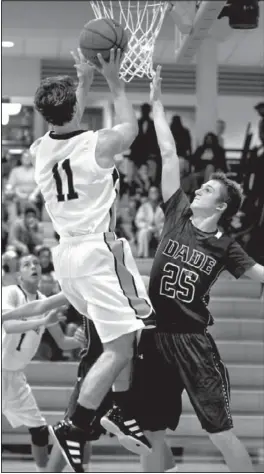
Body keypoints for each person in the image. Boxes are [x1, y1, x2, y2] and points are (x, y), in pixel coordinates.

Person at [132, 66, 264, 473]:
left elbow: (261, 275)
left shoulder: (226, 246)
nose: (199, 188)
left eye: (208, 190)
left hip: (193, 342)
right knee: (152, 430)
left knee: (220, 433)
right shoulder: (176, 215)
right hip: (155, 339)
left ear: (221, 207)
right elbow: (169, 154)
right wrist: (156, 103)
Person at [30, 48, 153, 471]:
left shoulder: (39, 150)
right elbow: (131, 128)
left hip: (66, 255)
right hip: (95, 253)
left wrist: (83, 80)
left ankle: (118, 408)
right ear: (72, 107)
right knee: (119, 347)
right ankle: (75, 425)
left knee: (123, 335)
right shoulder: (100, 145)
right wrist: (113, 79)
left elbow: (69, 118)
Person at [2, 254, 83, 473]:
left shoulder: (46, 303)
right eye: (27, 264)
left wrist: (82, 339)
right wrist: (43, 321)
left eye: (36, 263)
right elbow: (8, 326)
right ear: (18, 275)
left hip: (15, 376)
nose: (33, 266)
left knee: (39, 431)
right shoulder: (10, 292)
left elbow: (63, 343)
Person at [135, 186, 164, 258]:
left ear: (159, 194)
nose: (154, 194)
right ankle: (143, 255)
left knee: (164, 232)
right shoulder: (144, 207)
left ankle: (164, 256)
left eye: (155, 192)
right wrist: (149, 227)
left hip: (160, 228)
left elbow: (169, 220)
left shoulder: (164, 206)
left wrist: (159, 227)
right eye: (152, 192)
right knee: (143, 232)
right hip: (147, 228)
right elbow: (138, 221)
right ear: (149, 194)